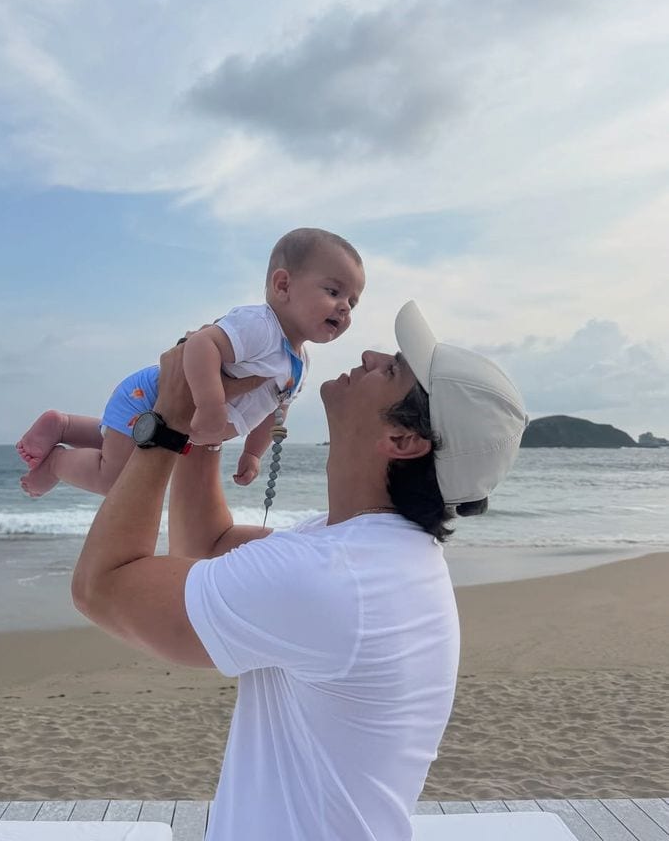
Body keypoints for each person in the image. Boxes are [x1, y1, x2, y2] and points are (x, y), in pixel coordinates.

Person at [71, 299, 528, 841]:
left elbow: (102, 587)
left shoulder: (338, 578)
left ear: (404, 442)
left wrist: (165, 425)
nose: (371, 352)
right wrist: (207, 419)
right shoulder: (372, 551)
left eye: (395, 368)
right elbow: (208, 544)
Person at [16, 228, 364, 498]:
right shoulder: (261, 327)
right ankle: (57, 462)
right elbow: (202, 344)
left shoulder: (299, 362)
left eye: (352, 300)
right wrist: (211, 405)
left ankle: (64, 425)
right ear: (283, 284)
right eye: (333, 292)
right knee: (114, 479)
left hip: (167, 414)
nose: (345, 306)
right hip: (151, 397)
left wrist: (253, 453)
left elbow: (275, 409)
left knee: (121, 441)